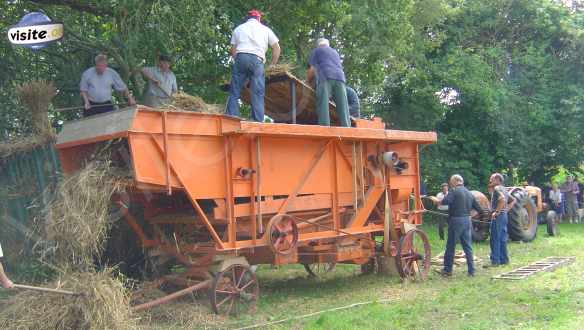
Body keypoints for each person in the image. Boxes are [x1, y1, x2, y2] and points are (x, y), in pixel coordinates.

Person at [226, 9, 281, 122]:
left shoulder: (239, 28)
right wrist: (272, 65)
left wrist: (239, 60)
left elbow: (232, 50)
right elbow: (277, 48)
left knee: (235, 90)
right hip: (257, 60)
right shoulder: (266, 30)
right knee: (257, 92)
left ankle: (231, 117)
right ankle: (257, 121)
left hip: (241, 57)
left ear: (247, 18)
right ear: (259, 19)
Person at [435, 174, 484, 277]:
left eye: (451, 181)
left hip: (456, 221)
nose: (450, 183)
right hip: (467, 221)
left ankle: (447, 270)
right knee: (468, 247)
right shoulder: (469, 193)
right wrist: (469, 215)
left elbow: (446, 201)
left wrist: (438, 201)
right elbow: (479, 209)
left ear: (456, 181)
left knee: (450, 246)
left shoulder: (454, 191)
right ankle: (471, 271)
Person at [307, 38, 350, 127]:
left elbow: (311, 69)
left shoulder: (316, 51)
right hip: (340, 78)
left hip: (325, 76)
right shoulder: (335, 52)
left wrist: (307, 81)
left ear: (318, 44)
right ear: (328, 45)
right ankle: (346, 127)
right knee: (343, 105)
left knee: (323, 101)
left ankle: (324, 126)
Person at [484, 173, 515, 268]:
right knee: (502, 238)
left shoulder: (497, 188)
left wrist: (497, 212)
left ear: (497, 179)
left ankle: (495, 261)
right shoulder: (504, 189)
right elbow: (513, 200)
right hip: (504, 216)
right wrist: (505, 210)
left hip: (498, 217)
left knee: (494, 238)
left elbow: (501, 200)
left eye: (491, 179)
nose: (490, 181)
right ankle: (504, 260)